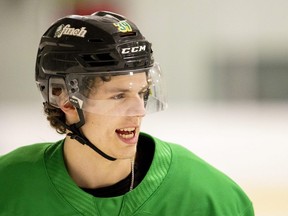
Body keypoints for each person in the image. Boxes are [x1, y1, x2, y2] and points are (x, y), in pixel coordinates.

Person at [0, 11, 254, 216]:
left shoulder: (211, 198)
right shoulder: (8, 186)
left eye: (142, 93)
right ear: (65, 100)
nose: (140, 111)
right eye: (118, 96)